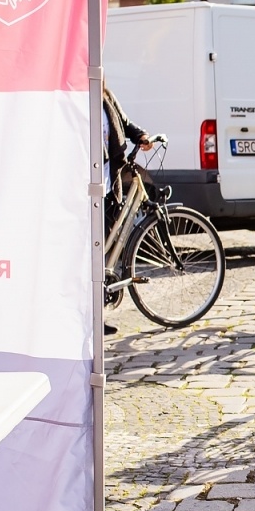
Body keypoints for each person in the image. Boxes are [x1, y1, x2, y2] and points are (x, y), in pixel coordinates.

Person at [103, 85, 152, 336]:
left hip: (108, 183)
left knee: (103, 250)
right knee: (92, 253)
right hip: (87, 185)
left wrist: (141, 136)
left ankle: (96, 315)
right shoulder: (80, 98)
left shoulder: (105, 96)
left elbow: (123, 122)